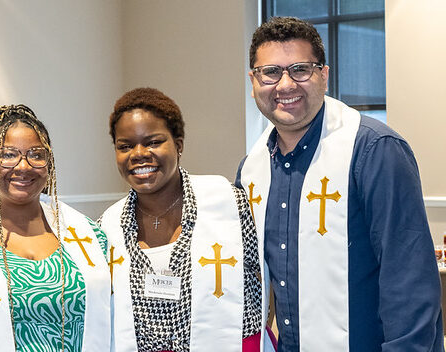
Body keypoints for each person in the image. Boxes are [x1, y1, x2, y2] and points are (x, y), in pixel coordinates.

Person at [236, 17, 443, 351]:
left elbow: (409, 281)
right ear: (254, 81)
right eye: (270, 72)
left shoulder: (374, 150)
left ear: (324, 76)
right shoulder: (250, 171)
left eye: (301, 69)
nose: (285, 85)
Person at [100, 87, 274, 352]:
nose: (138, 154)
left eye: (153, 142)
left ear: (178, 144)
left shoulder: (231, 204)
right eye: (125, 146)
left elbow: (270, 287)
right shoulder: (106, 226)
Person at [0, 105, 111, 351]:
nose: (23, 166)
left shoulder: (89, 234)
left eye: (36, 154)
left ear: (48, 163)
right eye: (8, 154)